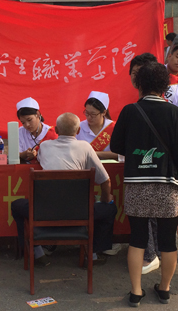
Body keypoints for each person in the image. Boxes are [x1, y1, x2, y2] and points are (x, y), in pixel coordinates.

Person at [111, 63, 178, 307]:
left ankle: (136, 291)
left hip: (137, 185)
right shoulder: (173, 112)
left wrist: (136, 147)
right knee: (168, 242)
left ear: (139, 84)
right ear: (164, 86)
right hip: (168, 186)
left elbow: (116, 146)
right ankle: (164, 289)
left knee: (138, 239)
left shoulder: (130, 111)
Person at [10, 113, 118, 267]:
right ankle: (93, 254)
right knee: (109, 208)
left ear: (56, 130)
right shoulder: (85, 147)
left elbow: (41, 159)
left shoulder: (44, 146)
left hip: (44, 212)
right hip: (80, 213)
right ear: (78, 130)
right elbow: (105, 181)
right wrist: (106, 200)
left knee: (16, 205)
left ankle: (35, 251)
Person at [129, 52, 161, 273]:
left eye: (140, 73)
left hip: (156, 165)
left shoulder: (165, 103)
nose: (136, 77)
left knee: (151, 212)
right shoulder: (135, 106)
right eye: (133, 72)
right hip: (146, 164)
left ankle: (151, 255)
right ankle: (154, 253)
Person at [76, 91, 119, 161]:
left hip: (109, 166)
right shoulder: (78, 127)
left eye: (93, 114)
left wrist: (95, 154)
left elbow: (121, 153)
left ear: (104, 112)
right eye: (87, 113)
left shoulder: (114, 127)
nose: (89, 117)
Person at [16, 97, 57, 162]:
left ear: (38, 114)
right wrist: (26, 154)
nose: (27, 125)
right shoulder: (19, 132)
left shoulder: (52, 133)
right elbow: (15, 155)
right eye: (23, 122)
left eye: (29, 120)